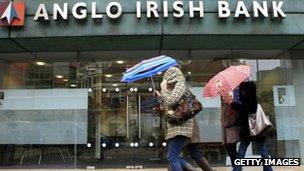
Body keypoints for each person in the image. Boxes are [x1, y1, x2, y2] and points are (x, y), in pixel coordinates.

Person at [154, 67, 215, 171]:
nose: (166, 82)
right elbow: (171, 104)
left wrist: (163, 88)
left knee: (173, 157)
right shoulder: (175, 88)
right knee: (175, 156)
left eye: (167, 79)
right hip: (177, 128)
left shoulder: (180, 85)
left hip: (180, 128)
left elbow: (172, 101)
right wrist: (160, 97)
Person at [234, 81, 273, 171]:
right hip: (255, 130)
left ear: (248, 90)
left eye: (244, 90)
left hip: (251, 130)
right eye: (241, 90)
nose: (242, 92)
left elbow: (245, 110)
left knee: (244, 152)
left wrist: (233, 104)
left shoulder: (251, 101)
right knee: (261, 152)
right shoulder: (250, 100)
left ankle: (237, 169)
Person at [220, 91, 240, 170]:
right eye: (223, 97)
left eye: (225, 97)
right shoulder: (225, 106)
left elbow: (234, 118)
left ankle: (236, 168)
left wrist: (225, 122)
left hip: (232, 132)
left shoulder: (233, 106)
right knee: (231, 151)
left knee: (232, 152)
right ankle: (235, 167)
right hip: (226, 133)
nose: (224, 98)